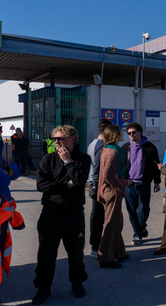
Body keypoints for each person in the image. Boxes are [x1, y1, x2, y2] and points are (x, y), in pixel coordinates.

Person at [33, 125, 91, 304]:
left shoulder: (83, 159)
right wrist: (66, 185)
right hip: (50, 213)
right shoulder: (48, 159)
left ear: (72, 139)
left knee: (75, 252)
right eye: (54, 139)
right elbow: (41, 185)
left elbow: (80, 181)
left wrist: (68, 161)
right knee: (46, 253)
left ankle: (77, 283)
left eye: (60, 138)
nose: (56, 142)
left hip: (73, 213)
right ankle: (44, 287)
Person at [97, 124, 131, 268]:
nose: (123, 134)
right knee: (111, 224)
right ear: (115, 135)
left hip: (111, 190)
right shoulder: (112, 151)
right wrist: (126, 181)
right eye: (121, 132)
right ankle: (105, 258)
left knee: (117, 222)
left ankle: (120, 253)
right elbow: (108, 176)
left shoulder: (110, 149)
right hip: (112, 190)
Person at [122, 122, 161, 245]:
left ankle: (141, 226)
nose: (132, 135)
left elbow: (156, 166)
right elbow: (121, 165)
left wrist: (157, 182)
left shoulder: (150, 147)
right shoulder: (125, 147)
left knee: (143, 209)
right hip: (129, 184)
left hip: (144, 183)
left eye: (134, 132)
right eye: (129, 133)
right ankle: (137, 233)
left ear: (140, 132)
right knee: (132, 210)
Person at [87, 119, 112, 258]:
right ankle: (95, 247)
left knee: (96, 215)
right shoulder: (101, 145)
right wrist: (97, 186)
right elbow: (97, 167)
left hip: (93, 183)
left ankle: (96, 245)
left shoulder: (92, 143)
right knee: (98, 216)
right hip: (97, 185)